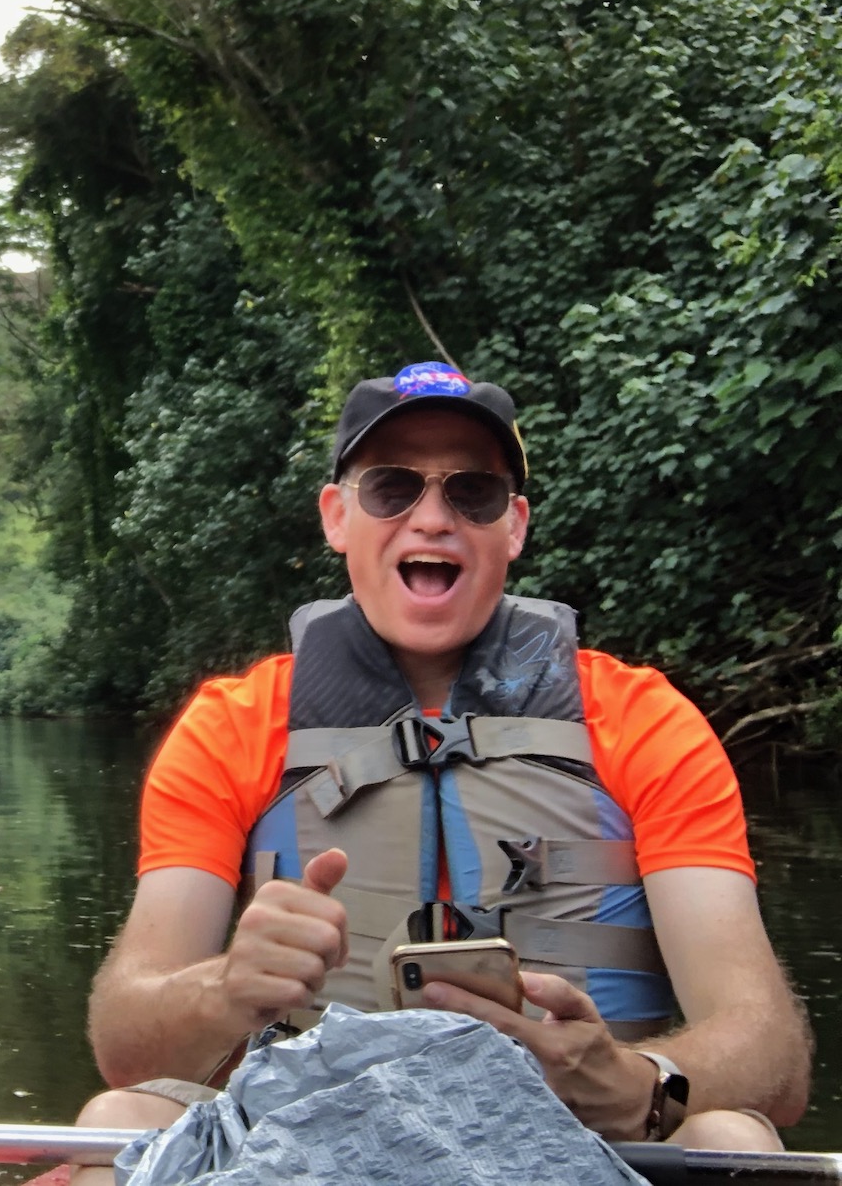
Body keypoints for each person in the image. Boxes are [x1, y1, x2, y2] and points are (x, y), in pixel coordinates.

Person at [74, 362, 809, 1166]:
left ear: (515, 525)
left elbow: (768, 1047)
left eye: (473, 493)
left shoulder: (642, 718)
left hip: (583, 1150)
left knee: (731, 1134)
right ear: (337, 516)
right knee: (120, 1111)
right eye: (392, 487)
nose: (432, 518)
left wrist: (639, 1084)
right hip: (305, 1149)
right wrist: (222, 989)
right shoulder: (233, 724)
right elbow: (126, 1040)